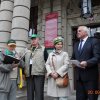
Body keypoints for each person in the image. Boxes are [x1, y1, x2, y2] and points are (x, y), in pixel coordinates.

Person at [71, 26, 100, 100]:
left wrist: (87, 63)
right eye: (77, 31)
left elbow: (97, 57)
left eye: (80, 31)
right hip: (79, 78)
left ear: (86, 32)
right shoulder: (76, 44)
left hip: (91, 79)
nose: (77, 32)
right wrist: (73, 62)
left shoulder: (94, 41)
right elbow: (73, 57)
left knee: (92, 97)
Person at [21, 34, 48, 100]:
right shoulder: (26, 50)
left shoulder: (43, 49)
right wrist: (23, 73)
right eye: (32, 39)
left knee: (39, 94)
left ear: (38, 39)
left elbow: (47, 61)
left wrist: (47, 72)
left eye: (35, 39)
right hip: (29, 75)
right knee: (29, 94)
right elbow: (23, 62)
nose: (33, 40)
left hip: (39, 74)